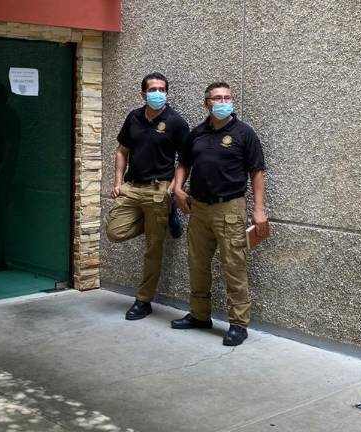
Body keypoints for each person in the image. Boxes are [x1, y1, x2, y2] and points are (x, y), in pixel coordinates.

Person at [171, 82, 269, 346]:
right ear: (207, 103)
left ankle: (239, 324)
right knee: (197, 264)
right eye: (217, 98)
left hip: (230, 209)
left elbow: (257, 172)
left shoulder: (244, 133)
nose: (223, 101)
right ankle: (200, 315)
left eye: (227, 97)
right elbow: (184, 163)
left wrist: (259, 210)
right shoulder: (197, 133)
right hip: (198, 209)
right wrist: (178, 189)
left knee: (234, 266)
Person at [106, 72, 190, 320]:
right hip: (132, 188)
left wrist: (175, 187)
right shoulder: (133, 117)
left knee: (153, 248)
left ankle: (143, 300)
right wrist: (118, 182)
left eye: (162, 89)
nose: (157, 93)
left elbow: (185, 159)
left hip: (158, 189)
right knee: (114, 231)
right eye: (153, 89)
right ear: (143, 93)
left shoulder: (175, 122)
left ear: (167, 93)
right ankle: (166, 215)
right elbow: (122, 151)